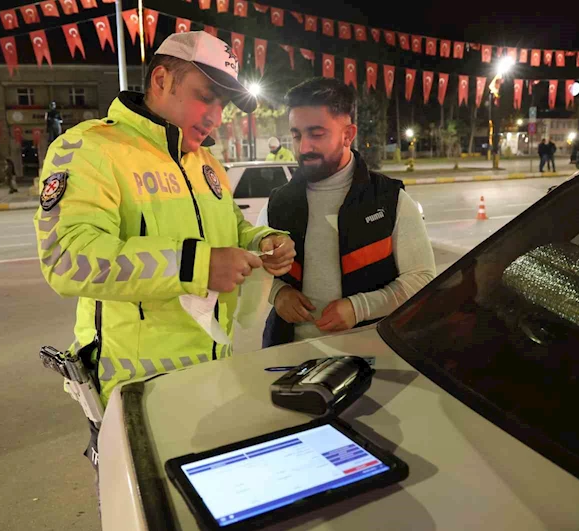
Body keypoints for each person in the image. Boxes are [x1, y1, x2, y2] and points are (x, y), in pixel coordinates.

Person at [33, 31, 296, 479]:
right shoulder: (91, 149)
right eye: (205, 97)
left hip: (211, 378)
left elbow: (232, 228)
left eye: (223, 106)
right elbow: (66, 256)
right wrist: (198, 265)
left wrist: (263, 241)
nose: (216, 116)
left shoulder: (205, 163)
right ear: (160, 79)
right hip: (135, 395)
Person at [257, 78, 436, 347]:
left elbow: (422, 279)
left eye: (317, 134)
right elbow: (255, 270)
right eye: (296, 135)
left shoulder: (389, 200)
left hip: (374, 353)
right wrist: (278, 294)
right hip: (287, 353)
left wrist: (360, 308)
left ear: (348, 134)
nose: (304, 147)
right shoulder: (277, 204)